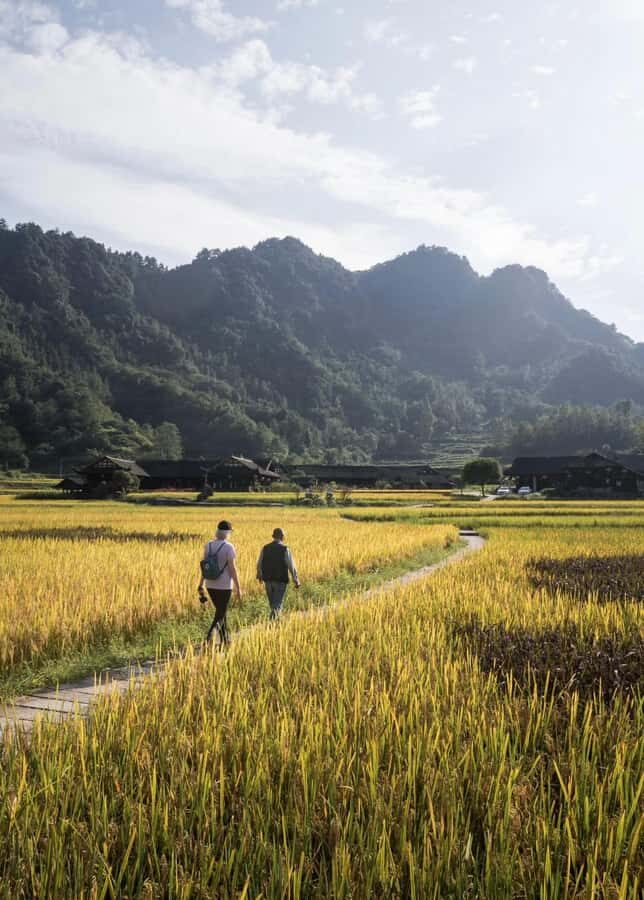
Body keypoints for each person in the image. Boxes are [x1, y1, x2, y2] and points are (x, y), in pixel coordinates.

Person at [198, 520, 242, 646]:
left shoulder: (208, 545)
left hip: (210, 584)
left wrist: (201, 584)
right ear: (227, 533)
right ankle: (210, 637)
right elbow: (232, 569)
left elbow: (205, 567)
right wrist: (238, 588)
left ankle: (225, 640)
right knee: (221, 613)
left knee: (221, 612)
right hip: (224, 585)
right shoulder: (229, 547)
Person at [256, 527, 300, 620]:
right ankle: (273, 623)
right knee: (277, 605)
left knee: (273, 605)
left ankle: (273, 622)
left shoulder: (265, 548)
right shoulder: (285, 549)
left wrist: (259, 576)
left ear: (274, 536)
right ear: (282, 537)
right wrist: (296, 580)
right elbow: (291, 565)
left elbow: (259, 563)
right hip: (280, 581)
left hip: (268, 581)